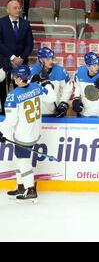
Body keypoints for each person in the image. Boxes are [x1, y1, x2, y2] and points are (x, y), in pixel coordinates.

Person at [1, 65, 56, 203]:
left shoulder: (13, 95)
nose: (13, 78)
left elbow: (11, 121)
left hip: (22, 135)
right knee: (18, 159)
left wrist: (1, 131)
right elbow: (51, 97)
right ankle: (20, 187)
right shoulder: (36, 87)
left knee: (23, 162)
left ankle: (30, 189)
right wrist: (47, 82)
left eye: (15, 76)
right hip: (34, 132)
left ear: (20, 78)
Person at [0, 0, 34, 115]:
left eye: (19, 7)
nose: (18, 10)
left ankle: (20, 112)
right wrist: (12, 57)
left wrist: (21, 58)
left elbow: (30, 44)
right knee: (2, 89)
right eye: (15, 8)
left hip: (22, 63)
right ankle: (5, 112)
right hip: (4, 62)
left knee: (21, 88)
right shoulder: (1, 23)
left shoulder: (25, 23)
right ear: (8, 10)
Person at [30, 47, 72, 117]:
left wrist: (63, 102)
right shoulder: (32, 71)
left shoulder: (60, 71)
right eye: (48, 59)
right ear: (41, 59)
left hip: (55, 111)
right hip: (37, 113)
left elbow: (67, 89)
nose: (51, 61)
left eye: (52, 58)